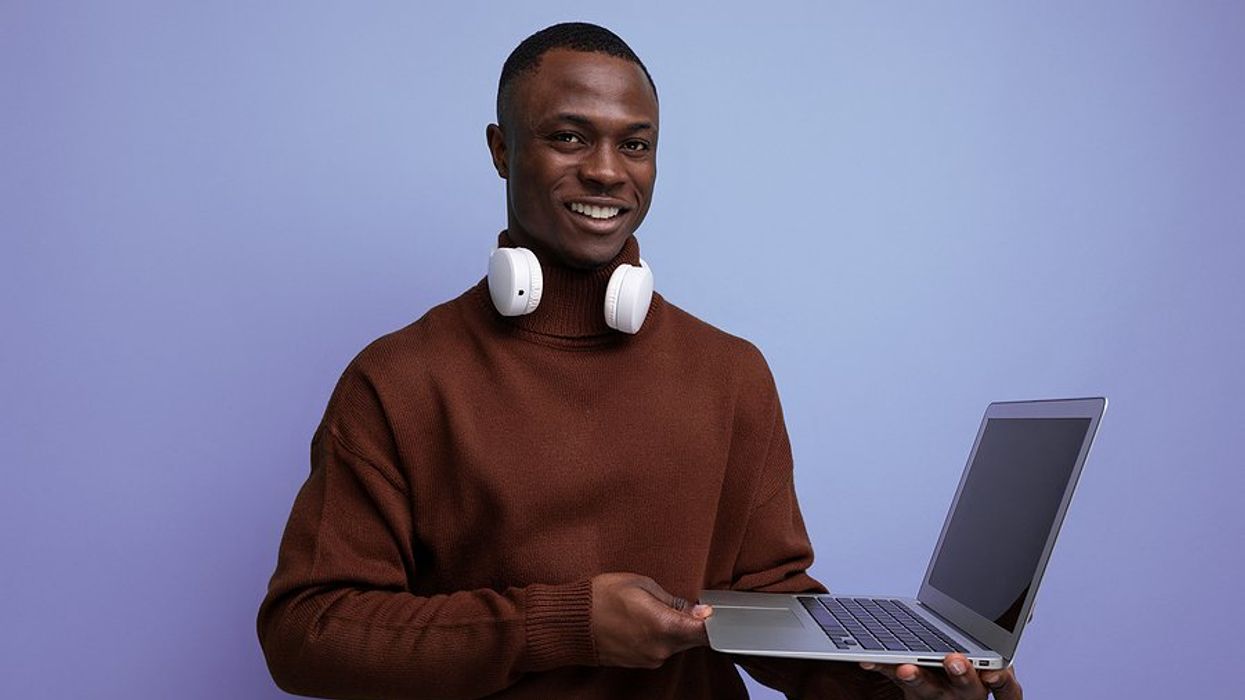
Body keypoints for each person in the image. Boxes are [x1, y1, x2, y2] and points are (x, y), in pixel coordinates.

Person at [257, 22, 1024, 700]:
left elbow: (765, 602)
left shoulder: (729, 373)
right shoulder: (397, 380)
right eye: (568, 136)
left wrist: (892, 687)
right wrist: (564, 625)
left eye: (634, 143)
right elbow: (308, 633)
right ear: (500, 149)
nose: (606, 170)